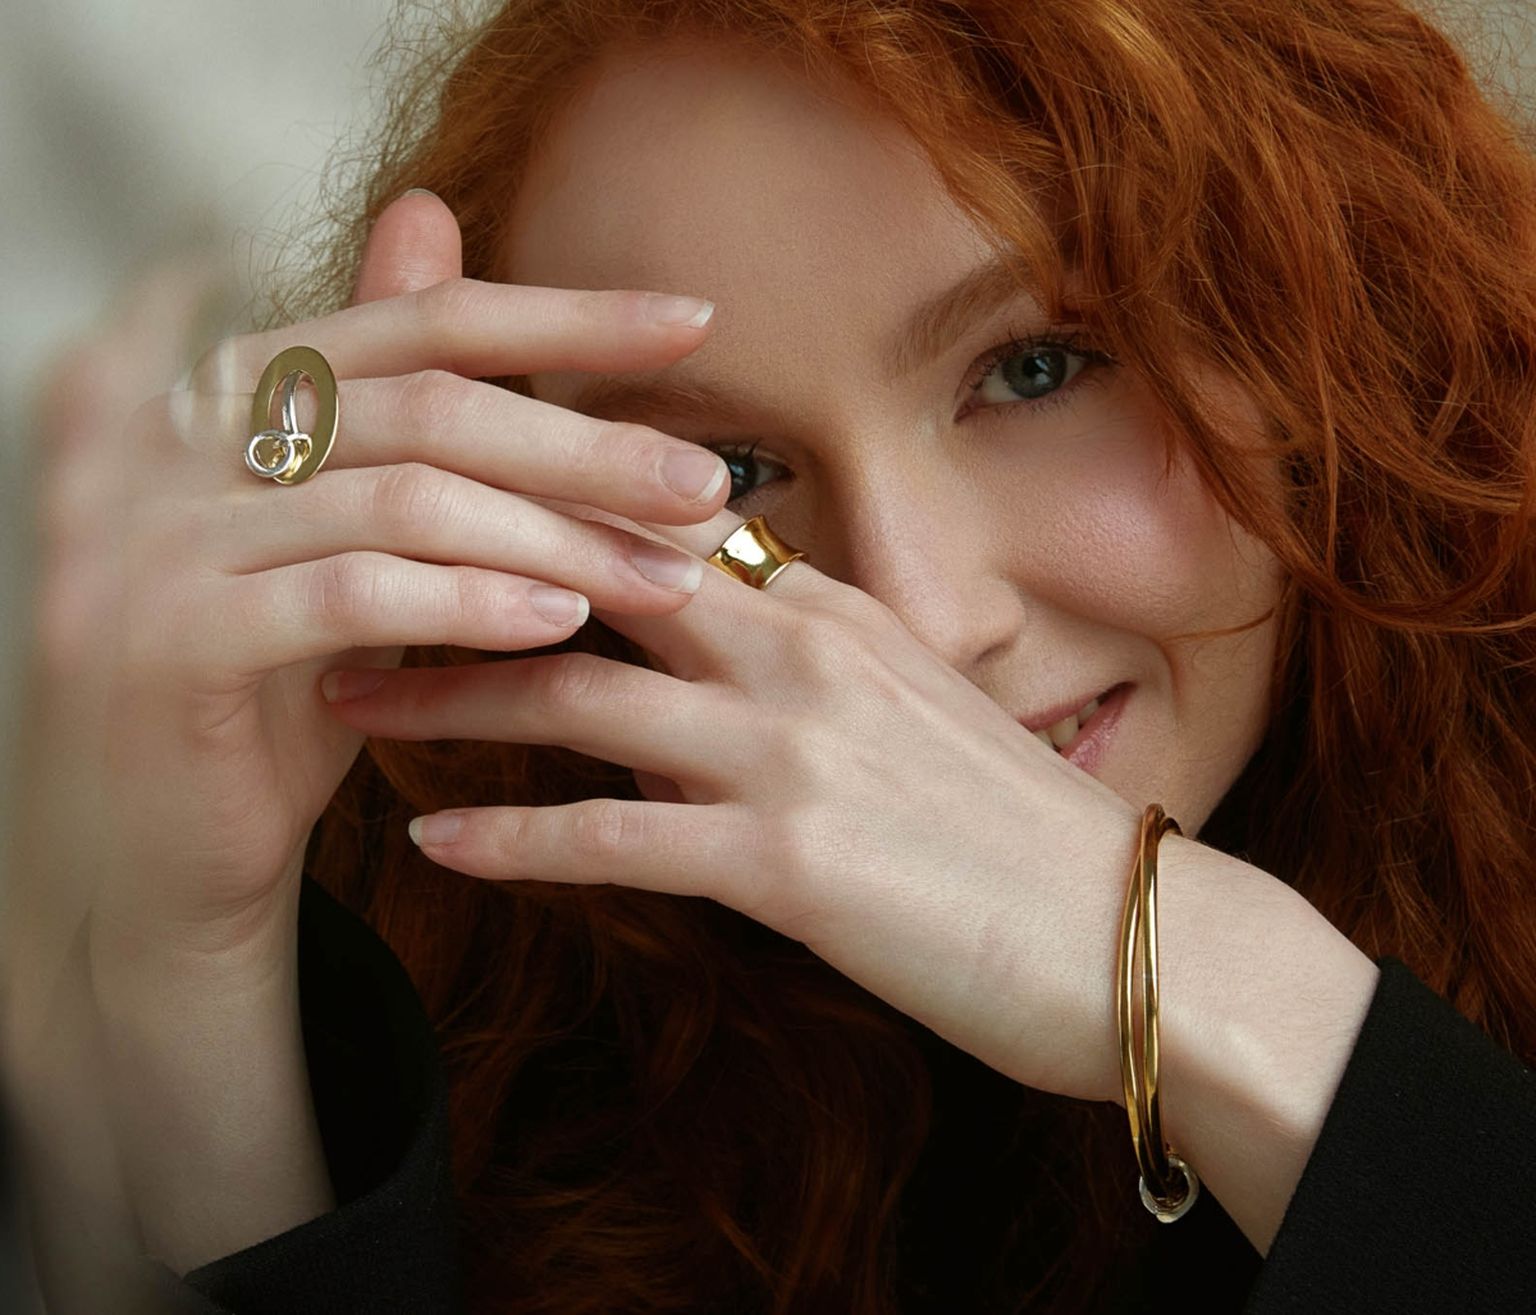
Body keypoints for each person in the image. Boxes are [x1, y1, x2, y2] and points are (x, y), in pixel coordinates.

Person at [8, 0, 1536, 1310]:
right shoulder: (500, 936)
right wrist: (189, 961)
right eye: (730, 474)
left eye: (1036, 368)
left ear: (1319, 302)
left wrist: (1216, 988)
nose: (919, 622)